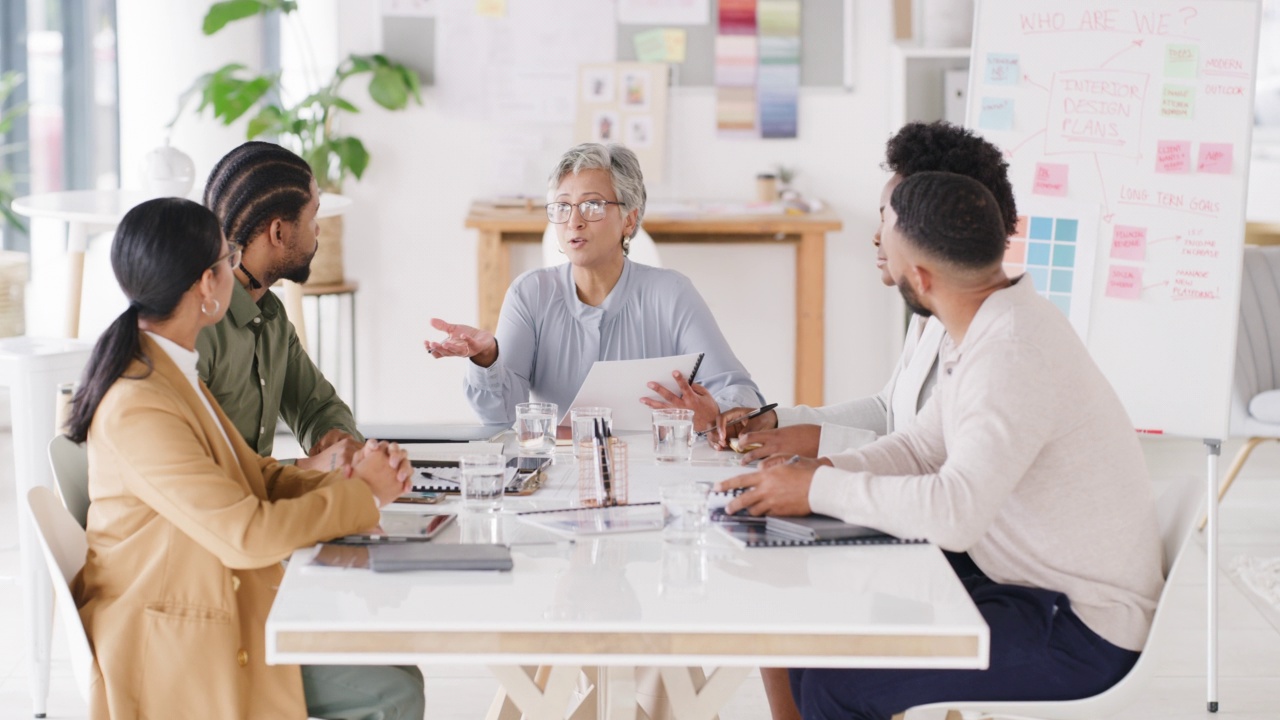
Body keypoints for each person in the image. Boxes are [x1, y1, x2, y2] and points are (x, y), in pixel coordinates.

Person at [719, 172, 1163, 720]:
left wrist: (818, 485)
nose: (877, 244)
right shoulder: (991, 321)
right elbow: (919, 448)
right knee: (812, 629)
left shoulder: (1009, 354)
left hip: (1079, 628)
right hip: (1026, 588)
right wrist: (816, 470)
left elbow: (955, 513)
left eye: (888, 238)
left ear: (920, 279)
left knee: (836, 685)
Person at [68, 197, 424, 720]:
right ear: (205, 285)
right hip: (173, 637)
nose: (236, 270)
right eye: (226, 259)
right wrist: (362, 494)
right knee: (391, 691)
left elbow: (250, 474)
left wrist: (345, 479)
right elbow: (247, 535)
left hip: (203, 600)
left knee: (395, 673)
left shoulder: (170, 370)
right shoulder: (138, 403)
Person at [714, 121, 1020, 461]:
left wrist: (817, 449)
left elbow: (935, 463)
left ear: (932, 226)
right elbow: (889, 410)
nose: (876, 237)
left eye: (886, 220)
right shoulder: (931, 312)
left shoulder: (991, 344)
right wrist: (777, 421)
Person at [426, 142, 763, 429]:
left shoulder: (672, 293)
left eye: (592, 205)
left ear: (629, 220)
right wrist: (487, 359)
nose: (574, 220)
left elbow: (740, 391)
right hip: (557, 478)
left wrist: (713, 411)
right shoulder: (529, 294)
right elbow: (501, 418)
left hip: (653, 473)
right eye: (562, 206)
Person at [199, 141, 363, 472]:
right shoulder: (195, 325)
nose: (318, 230)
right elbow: (195, 474)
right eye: (312, 215)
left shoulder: (270, 314)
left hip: (250, 513)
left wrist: (337, 440)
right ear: (278, 232)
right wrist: (307, 468)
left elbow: (316, 407)